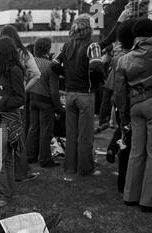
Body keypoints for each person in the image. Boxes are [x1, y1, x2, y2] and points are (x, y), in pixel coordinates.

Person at [115, 19, 152, 213]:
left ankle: (130, 195)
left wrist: (124, 119)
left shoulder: (124, 59)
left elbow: (119, 93)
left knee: (136, 151)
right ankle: (149, 201)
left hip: (134, 106)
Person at [51, 14, 105, 177]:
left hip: (70, 94)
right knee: (86, 135)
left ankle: (70, 167)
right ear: (89, 29)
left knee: (71, 133)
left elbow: (54, 65)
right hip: (85, 94)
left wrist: (66, 74)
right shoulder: (92, 45)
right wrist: (99, 81)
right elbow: (96, 65)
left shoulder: (66, 46)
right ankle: (85, 168)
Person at [0, 37, 26, 207]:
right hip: (1, 117)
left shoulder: (14, 71)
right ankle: (7, 191)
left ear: (2, 52)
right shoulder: (4, 70)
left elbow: (20, 99)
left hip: (9, 120)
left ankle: (2, 194)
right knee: (6, 158)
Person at [0, 25, 41, 181]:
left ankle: (15, 172)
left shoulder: (3, 53)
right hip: (17, 102)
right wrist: (24, 89)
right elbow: (36, 74)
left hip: (4, 100)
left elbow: (37, 74)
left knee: (9, 138)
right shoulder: (24, 54)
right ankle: (20, 172)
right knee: (17, 137)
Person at [104, 20, 137, 194]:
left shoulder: (117, 59)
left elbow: (111, 87)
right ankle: (125, 183)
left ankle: (112, 149)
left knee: (123, 136)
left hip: (120, 104)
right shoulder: (136, 57)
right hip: (132, 104)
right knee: (130, 143)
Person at [26, 38, 62, 168]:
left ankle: (30, 156)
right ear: (48, 49)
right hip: (46, 101)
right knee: (46, 131)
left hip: (32, 98)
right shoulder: (50, 65)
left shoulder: (31, 62)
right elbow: (54, 91)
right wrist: (58, 108)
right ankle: (45, 159)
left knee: (33, 128)